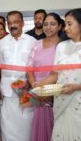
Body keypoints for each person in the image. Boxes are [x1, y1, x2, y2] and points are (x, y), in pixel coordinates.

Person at [36, 8, 81, 141]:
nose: (65, 28)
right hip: (61, 100)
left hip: (78, 100)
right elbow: (55, 74)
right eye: (65, 24)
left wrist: (76, 87)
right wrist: (39, 85)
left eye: (69, 24)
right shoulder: (61, 46)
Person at [0, 10, 36, 141]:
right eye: (9, 23)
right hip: (7, 92)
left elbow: (36, 68)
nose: (12, 25)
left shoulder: (33, 42)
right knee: (6, 128)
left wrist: (30, 85)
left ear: (22, 23)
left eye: (15, 22)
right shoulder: (1, 43)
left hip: (25, 93)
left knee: (26, 127)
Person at [26, 13, 62, 141]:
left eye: (53, 24)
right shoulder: (37, 44)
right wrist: (35, 86)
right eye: (46, 24)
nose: (48, 27)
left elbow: (61, 72)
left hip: (57, 96)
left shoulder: (63, 45)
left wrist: (45, 90)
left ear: (60, 26)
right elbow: (29, 68)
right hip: (38, 94)